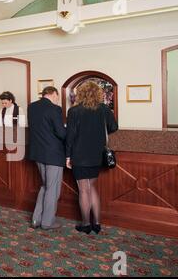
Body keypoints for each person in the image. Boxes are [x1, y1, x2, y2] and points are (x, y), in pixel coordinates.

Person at [66, 81, 118, 235]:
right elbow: (114, 127)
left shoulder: (74, 111)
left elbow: (70, 136)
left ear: (80, 94)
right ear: (98, 93)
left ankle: (86, 224)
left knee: (83, 190)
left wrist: (68, 156)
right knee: (92, 188)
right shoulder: (104, 109)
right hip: (96, 154)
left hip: (79, 155)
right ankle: (97, 224)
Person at [28, 86, 66, 230]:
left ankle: (36, 219)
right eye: (57, 96)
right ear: (52, 94)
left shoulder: (32, 107)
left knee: (45, 186)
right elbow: (61, 133)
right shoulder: (55, 109)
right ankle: (47, 222)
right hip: (53, 154)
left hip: (38, 153)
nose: (57, 99)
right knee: (52, 188)